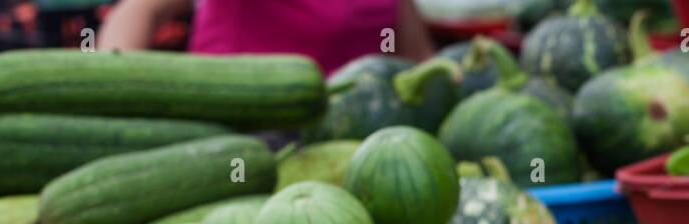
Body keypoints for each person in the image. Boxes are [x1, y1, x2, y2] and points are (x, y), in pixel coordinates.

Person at [98, 0, 436, 72]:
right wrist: (111, 86)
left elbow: (418, 59)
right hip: (236, 141)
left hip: (351, 149)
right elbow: (141, 11)